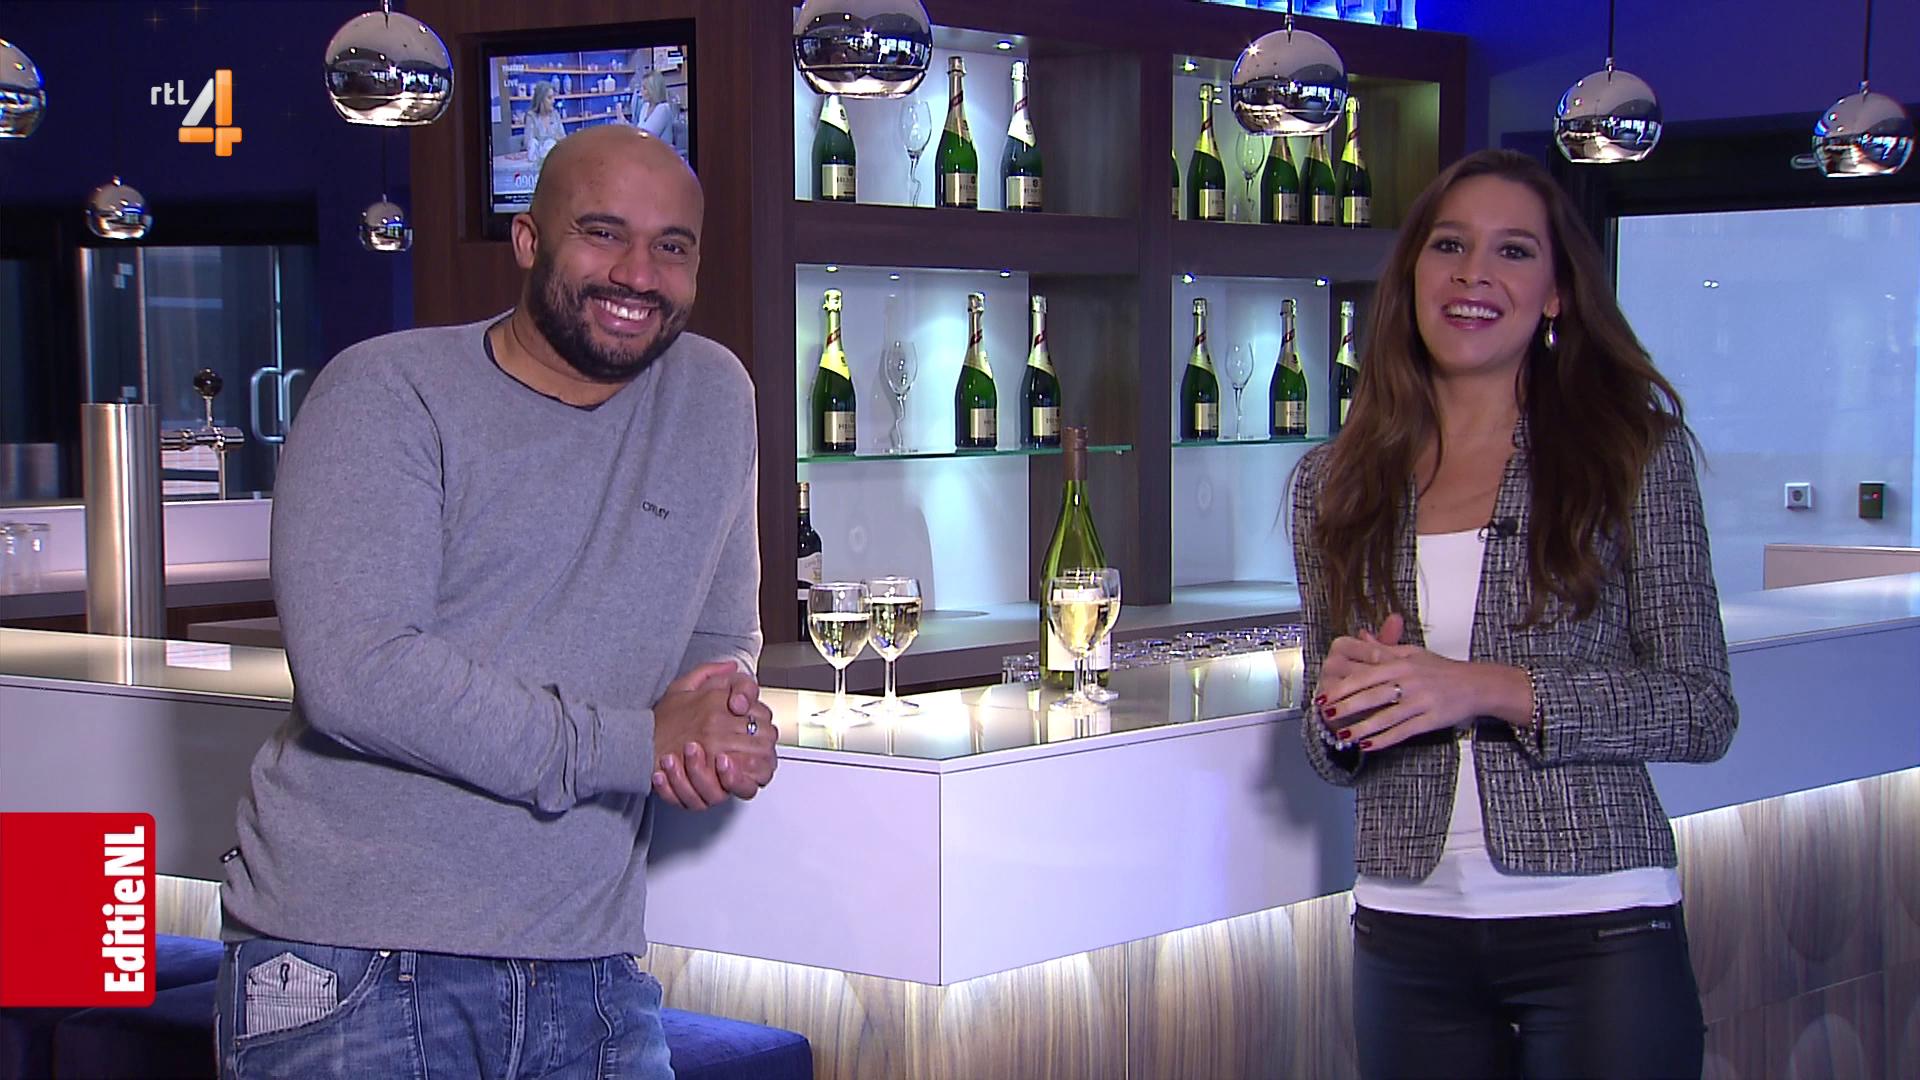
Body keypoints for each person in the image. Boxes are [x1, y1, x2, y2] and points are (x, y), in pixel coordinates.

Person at [215, 126, 774, 1079]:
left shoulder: (713, 396)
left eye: (672, 246)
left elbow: (719, 639)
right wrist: (637, 743)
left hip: (591, 965)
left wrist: (723, 721)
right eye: (602, 233)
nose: (638, 274)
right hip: (353, 960)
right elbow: (361, 676)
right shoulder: (387, 391)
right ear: (528, 241)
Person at [1289, 148, 1736, 1079]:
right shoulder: (1333, 483)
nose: (1474, 275)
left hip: (1598, 926)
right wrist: (1337, 712)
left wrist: (1486, 689)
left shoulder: (1632, 457)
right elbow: (1325, 748)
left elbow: (1700, 708)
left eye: (1514, 251)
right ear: (1413, 273)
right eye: (1449, 245)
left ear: (1557, 293)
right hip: (1406, 932)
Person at [626, 70, 676, 142]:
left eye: (644, 88)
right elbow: (639, 130)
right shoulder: (645, 106)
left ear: (653, 90)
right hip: (644, 147)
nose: (641, 91)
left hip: (658, 148)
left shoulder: (663, 109)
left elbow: (648, 136)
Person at [525, 81, 565, 169]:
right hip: (536, 162)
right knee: (535, 143)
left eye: (553, 97)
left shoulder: (555, 115)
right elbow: (529, 142)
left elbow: (563, 138)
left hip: (554, 159)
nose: (553, 101)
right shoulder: (531, 116)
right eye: (549, 98)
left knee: (550, 144)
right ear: (541, 100)